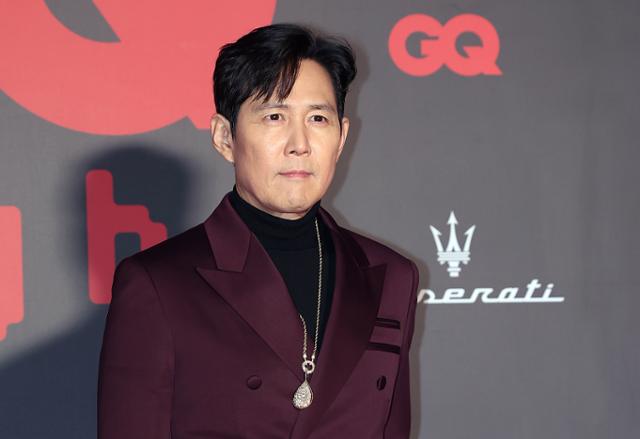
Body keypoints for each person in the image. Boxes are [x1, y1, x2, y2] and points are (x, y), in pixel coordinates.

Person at [97, 23, 419, 438]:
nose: (299, 143)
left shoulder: (392, 276)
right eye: (274, 116)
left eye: (317, 118)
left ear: (341, 138)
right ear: (224, 137)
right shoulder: (157, 283)